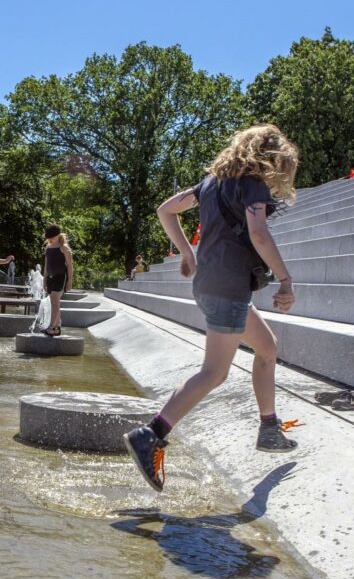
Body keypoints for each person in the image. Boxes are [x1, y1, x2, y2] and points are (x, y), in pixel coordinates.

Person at [124, 124, 301, 493]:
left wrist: (187, 253)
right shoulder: (252, 184)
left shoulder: (210, 183)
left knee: (266, 348)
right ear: (273, 157)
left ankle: (269, 428)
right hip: (228, 286)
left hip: (212, 284)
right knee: (214, 372)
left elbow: (165, 210)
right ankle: (151, 434)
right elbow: (259, 234)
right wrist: (286, 280)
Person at [40, 224, 74, 336]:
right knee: (54, 303)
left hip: (60, 277)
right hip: (50, 278)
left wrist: (69, 281)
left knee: (55, 302)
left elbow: (69, 266)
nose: (49, 239)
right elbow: (46, 265)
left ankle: (51, 327)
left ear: (58, 235)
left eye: (51, 236)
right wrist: (44, 280)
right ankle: (57, 327)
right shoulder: (48, 248)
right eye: (48, 237)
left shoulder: (64, 248)